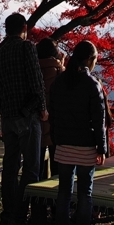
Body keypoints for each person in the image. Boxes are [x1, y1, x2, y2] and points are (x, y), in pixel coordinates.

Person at [0, 13, 47, 225]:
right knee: (32, 168)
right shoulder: (27, 48)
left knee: (10, 168)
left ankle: (7, 215)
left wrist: (5, 110)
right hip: (27, 116)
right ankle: (19, 218)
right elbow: (36, 81)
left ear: (6, 29)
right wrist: (41, 108)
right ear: (24, 27)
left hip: (8, 119)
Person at [49, 39, 108, 225]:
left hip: (64, 144)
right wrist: (102, 148)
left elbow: (53, 112)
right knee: (85, 192)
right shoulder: (92, 84)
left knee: (64, 192)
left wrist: (57, 138)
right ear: (90, 59)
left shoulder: (59, 81)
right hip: (86, 145)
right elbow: (99, 120)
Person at [37, 37, 65, 179]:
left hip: (37, 122)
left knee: (37, 166)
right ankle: (54, 198)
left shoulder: (33, 69)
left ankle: (35, 198)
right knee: (57, 167)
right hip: (55, 124)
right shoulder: (58, 70)